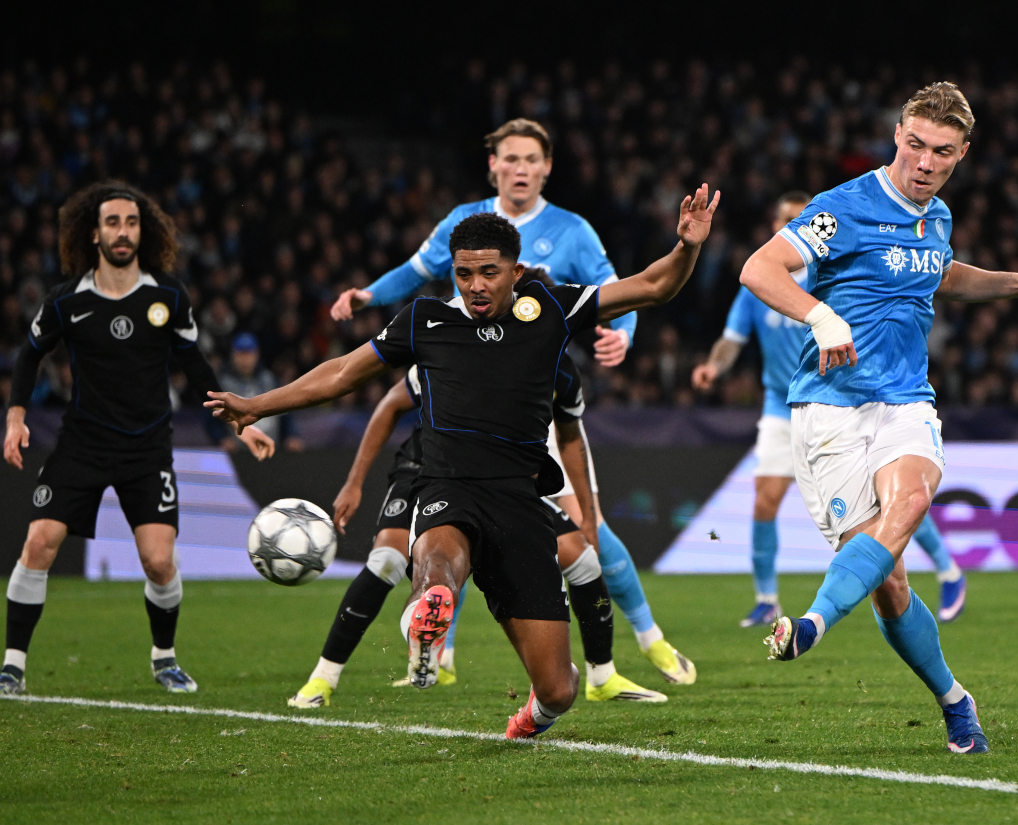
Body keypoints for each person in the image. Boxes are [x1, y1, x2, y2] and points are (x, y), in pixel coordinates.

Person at [208, 186, 718, 738]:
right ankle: (431, 611)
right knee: (437, 566)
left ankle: (528, 714)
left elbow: (653, 285)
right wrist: (256, 405)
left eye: (489, 273)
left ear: (516, 271)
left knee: (558, 689)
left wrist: (686, 248)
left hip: (523, 503)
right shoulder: (425, 320)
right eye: (464, 273)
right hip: (448, 484)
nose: (475, 285)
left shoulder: (550, 307)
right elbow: (340, 374)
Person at [739, 83, 1018, 754]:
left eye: (943, 153)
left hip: (904, 400)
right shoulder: (842, 208)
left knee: (911, 500)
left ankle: (810, 622)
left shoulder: (939, 217)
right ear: (898, 134)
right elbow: (760, 267)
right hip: (827, 408)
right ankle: (955, 697)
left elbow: (940, 275)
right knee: (889, 582)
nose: (925, 163)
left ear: (961, 155)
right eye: (916, 145)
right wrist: (821, 312)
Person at [330, 118, 694, 684]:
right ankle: (439, 654)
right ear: (493, 166)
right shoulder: (463, 223)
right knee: (461, 525)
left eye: (531, 159)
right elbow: (416, 271)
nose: (520, 168)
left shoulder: (572, 230)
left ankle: (646, 641)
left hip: (537, 405)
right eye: (510, 159)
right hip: (465, 396)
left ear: (547, 167)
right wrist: (368, 296)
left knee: (586, 536)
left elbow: (625, 288)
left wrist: (624, 336)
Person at [1, 182, 275, 697]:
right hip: (81, 445)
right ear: (94, 232)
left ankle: (165, 658)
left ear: (142, 231)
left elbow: (196, 368)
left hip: (147, 450)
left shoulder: (167, 297)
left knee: (158, 560)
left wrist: (243, 422)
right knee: (39, 543)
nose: (122, 231)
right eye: (112, 222)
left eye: (131, 222)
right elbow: (28, 355)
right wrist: (16, 417)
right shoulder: (67, 300)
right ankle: (12, 666)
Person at [289, 352, 667, 708]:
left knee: (582, 558)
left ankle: (602, 676)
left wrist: (587, 512)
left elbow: (567, 436)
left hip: (499, 479)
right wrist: (354, 482)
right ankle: (324, 677)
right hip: (427, 468)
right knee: (389, 559)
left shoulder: (551, 359)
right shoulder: (452, 342)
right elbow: (390, 403)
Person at [693, 194, 966, 626]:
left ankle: (948, 569)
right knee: (765, 500)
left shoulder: (834, 274)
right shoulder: (766, 284)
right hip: (781, 407)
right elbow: (732, 341)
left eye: (797, 219)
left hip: (845, 402)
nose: (792, 225)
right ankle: (767, 599)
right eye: (785, 219)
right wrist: (712, 366)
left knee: (892, 502)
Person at [209, 332, 303, 453]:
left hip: (271, 451)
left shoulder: (269, 380)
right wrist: (221, 438)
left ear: (256, 354)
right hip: (238, 453)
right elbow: (211, 419)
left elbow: (285, 413)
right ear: (233, 354)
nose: (245, 359)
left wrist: (292, 435)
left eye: (248, 354)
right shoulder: (223, 384)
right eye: (240, 354)